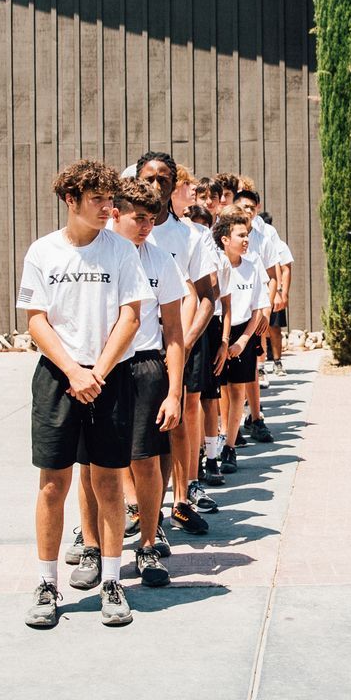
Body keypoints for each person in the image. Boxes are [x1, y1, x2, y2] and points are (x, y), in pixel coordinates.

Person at [19, 159, 150, 629]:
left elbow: (131, 317)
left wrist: (99, 371)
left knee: (109, 481)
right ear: (70, 200)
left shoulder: (120, 252)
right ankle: (47, 583)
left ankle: (112, 581)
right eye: (97, 200)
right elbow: (36, 320)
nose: (107, 209)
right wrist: (74, 370)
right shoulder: (43, 252)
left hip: (110, 377)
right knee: (53, 482)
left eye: (111, 200)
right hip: (59, 377)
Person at [106, 175, 188, 588]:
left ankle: (149, 546)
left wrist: (175, 391)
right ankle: (94, 545)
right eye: (138, 218)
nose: (146, 227)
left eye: (152, 220)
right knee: (95, 464)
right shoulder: (96, 255)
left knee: (146, 460)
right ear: (114, 213)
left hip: (145, 366)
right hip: (100, 368)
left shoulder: (160, 261)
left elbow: (173, 332)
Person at [139, 155, 221, 535]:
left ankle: (181, 501)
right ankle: (138, 507)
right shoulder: (120, 229)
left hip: (175, 341)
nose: (156, 187)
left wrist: (185, 342)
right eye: (148, 179)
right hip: (131, 347)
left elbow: (207, 295)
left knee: (179, 419)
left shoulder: (192, 235)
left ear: (174, 184)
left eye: (163, 179)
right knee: (134, 429)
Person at [213, 210, 272, 471]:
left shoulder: (252, 265)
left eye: (247, 235)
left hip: (242, 335)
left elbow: (258, 308)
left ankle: (230, 446)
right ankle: (212, 444)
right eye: (240, 235)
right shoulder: (214, 265)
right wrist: (224, 341)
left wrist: (243, 341)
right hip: (217, 331)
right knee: (215, 393)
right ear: (225, 239)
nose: (246, 240)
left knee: (237, 391)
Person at [231, 186, 288, 439]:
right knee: (225, 377)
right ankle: (229, 428)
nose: (248, 212)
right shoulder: (224, 234)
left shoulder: (263, 239)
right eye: (243, 207)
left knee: (251, 368)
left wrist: (266, 307)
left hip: (252, 312)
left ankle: (255, 418)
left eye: (252, 208)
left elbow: (273, 275)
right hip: (230, 313)